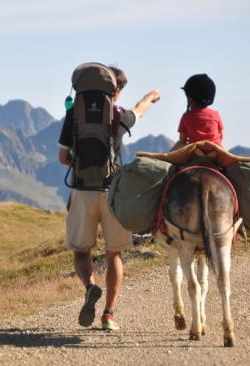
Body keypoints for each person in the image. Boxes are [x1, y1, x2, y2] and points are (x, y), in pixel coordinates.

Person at [58, 65, 160, 331]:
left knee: (81, 252)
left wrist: (78, 160)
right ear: (116, 91)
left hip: (82, 191)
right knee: (114, 254)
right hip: (111, 191)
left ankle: (91, 287)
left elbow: (62, 158)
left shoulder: (74, 114)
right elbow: (139, 111)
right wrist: (150, 97)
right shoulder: (118, 115)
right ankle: (109, 316)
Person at [171, 74, 224, 151]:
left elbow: (182, 141)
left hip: (195, 151)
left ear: (190, 98)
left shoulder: (186, 116)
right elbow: (221, 136)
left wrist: (170, 153)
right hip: (216, 151)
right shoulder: (215, 114)